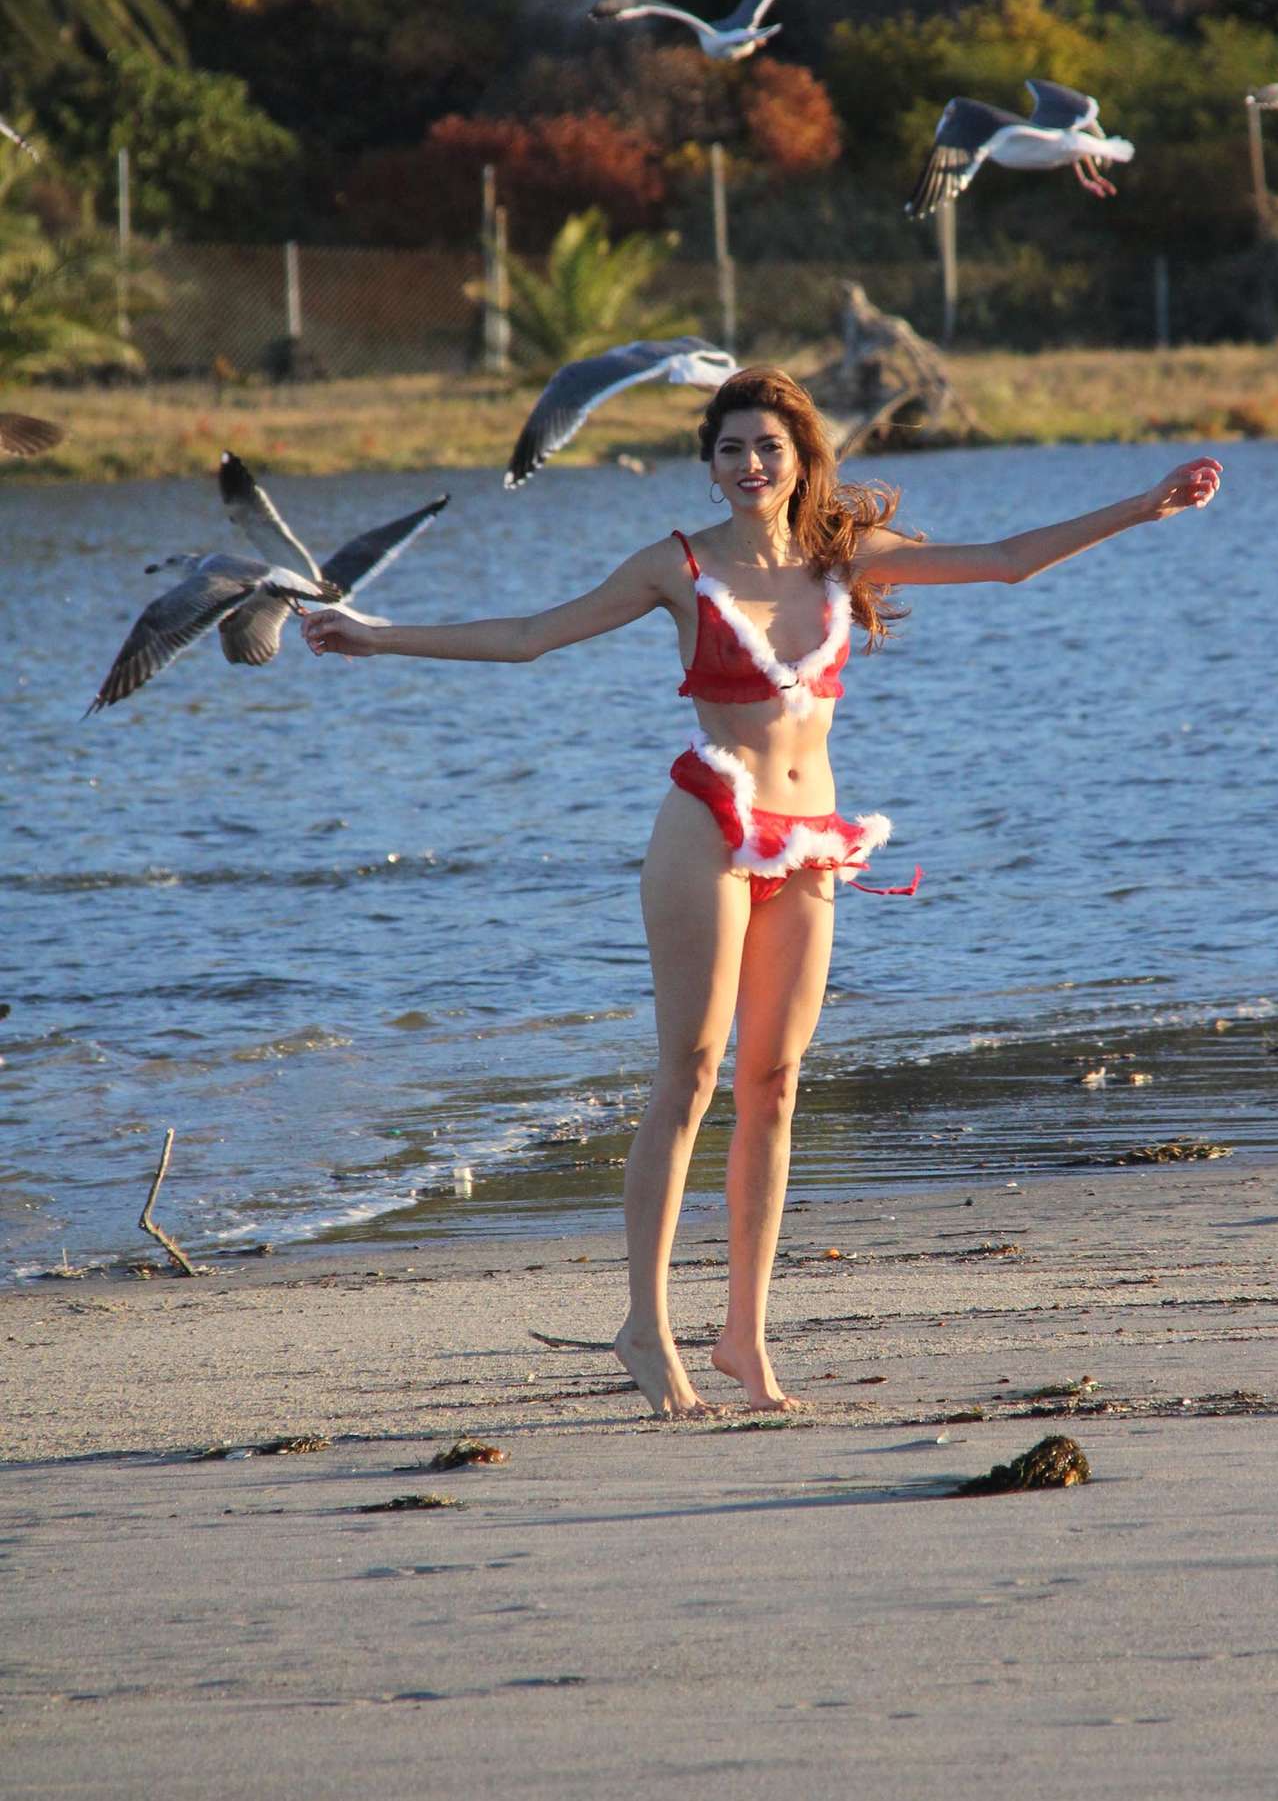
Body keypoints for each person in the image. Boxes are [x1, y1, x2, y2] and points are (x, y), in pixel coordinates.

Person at [302, 366, 1221, 1419]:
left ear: (799, 460)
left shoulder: (843, 557)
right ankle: (645, 1328)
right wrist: (378, 634)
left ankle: (743, 1334)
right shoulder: (675, 566)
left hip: (811, 840)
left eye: (767, 449)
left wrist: (1144, 505)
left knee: (773, 1089)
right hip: (707, 825)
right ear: (708, 465)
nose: (748, 465)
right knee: (689, 1075)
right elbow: (528, 637)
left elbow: (1008, 562)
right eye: (729, 449)